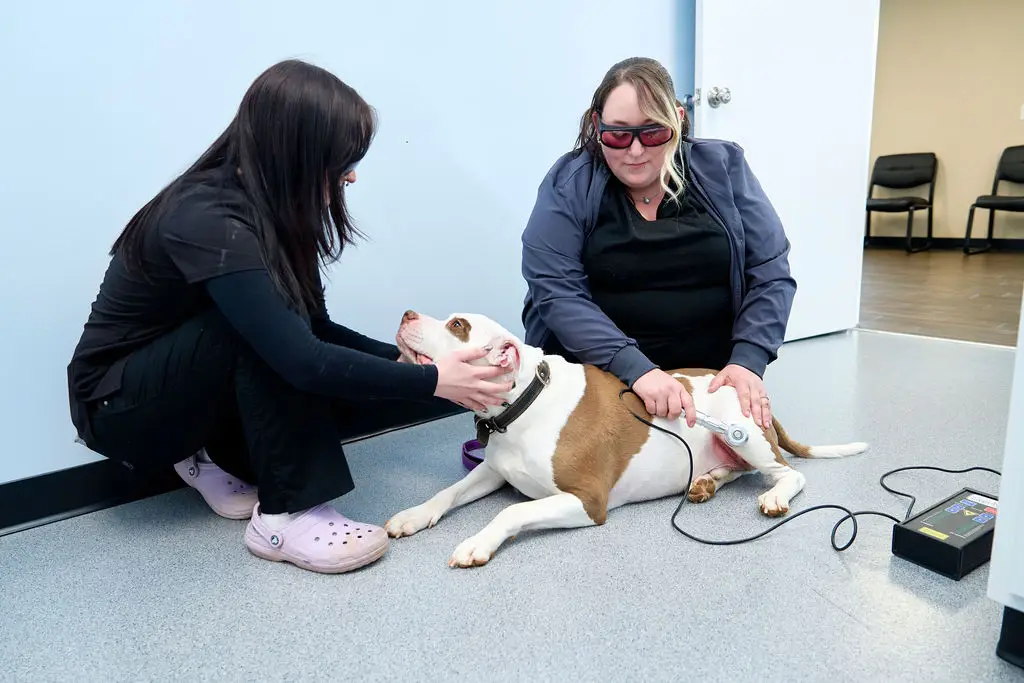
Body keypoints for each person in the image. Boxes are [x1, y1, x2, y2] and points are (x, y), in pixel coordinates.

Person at [67, 59, 511, 575]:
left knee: (304, 350)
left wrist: (409, 363)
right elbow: (298, 356)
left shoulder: (274, 213)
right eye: (340, 159)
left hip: (182, 387)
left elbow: (314, 328)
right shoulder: (206, 218)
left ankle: (203, 456)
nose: (351, 173)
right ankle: (287, 517)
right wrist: (433, 380)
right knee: (266, 344)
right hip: (119, 408)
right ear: (296, 153)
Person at [520, 57, 796, 430]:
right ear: (595, 124)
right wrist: (637, 370)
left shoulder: (723, 166)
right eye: (618, 134)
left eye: (653, 133)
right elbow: (555, 291)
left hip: (709, 380)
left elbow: (770, 271)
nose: (635, 151)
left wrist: (748, 360)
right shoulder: (570, 184)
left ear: (678, 120)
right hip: (597, 379)